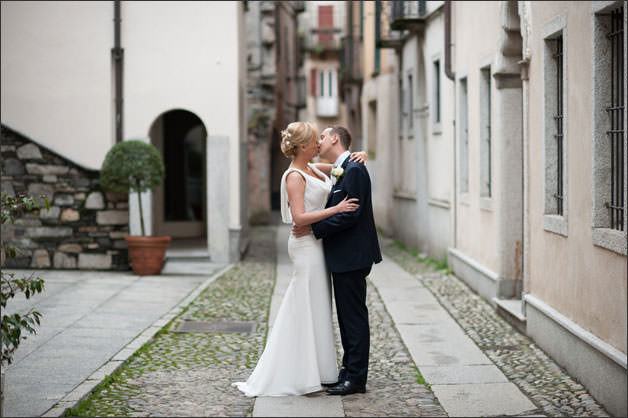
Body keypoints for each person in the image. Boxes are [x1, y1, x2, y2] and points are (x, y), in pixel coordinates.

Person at [232, 121, 367, 397]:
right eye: (315, 140)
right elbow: (299, 218)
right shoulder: (294, 176)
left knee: (317, 305)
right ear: (304, 146)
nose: (319, 143)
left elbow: (342, 166)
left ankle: (319, 369)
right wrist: (337, 209)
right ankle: (297, 369)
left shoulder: (313, 168)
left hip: (319, 245)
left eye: (321, 139)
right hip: (306, 245)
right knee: (305, 302)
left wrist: (360, 155)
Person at [293, 126, 382, 396]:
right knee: (347, 317)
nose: (318, 141)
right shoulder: (343, 166)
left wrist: (315, 229)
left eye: (322, 136)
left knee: (353, 318)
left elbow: (351, 214)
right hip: (345, 255)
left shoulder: (353, 169)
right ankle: (349, 370)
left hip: (352, 255)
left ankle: (356, 379)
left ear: (334, 138)